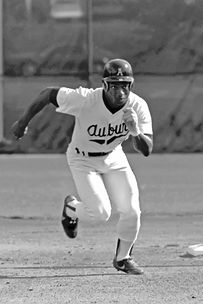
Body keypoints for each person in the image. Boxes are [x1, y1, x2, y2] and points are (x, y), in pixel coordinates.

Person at [11, 58, 153, 274]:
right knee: (100, 213)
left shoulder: (137, 106)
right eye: (114, 85)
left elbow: (146, 149)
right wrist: (23, 122)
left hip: (114, 157)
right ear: (104, 85)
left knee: (132, 210)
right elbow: (48, 94)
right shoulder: (86, 99)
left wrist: (135, 130)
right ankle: (71, 208)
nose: (120, 91)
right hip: (82, 159)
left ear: (131, 85)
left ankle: (123, 258)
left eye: (125, 85)